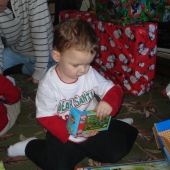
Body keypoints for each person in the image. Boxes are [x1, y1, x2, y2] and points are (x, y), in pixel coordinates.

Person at [7, 18, 138, 170]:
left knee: (115, 153)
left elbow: (113, 90)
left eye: (88, 63)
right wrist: (72, 132)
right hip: (64, 131)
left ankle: (116, 126)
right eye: (76, 65)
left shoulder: (89, 73)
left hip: (92, 124)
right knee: (57, 166)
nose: (83, 70)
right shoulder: (48, 85)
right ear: (57, 56)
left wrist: (108, 102)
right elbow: (46, 117)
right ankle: (30, 146)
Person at [0, 0, 56, 84]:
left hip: (47, 52)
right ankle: (25, 68)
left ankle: (24, 68)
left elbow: (40, 36)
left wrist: (39, 72)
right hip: (17, 52)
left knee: (62, 73)